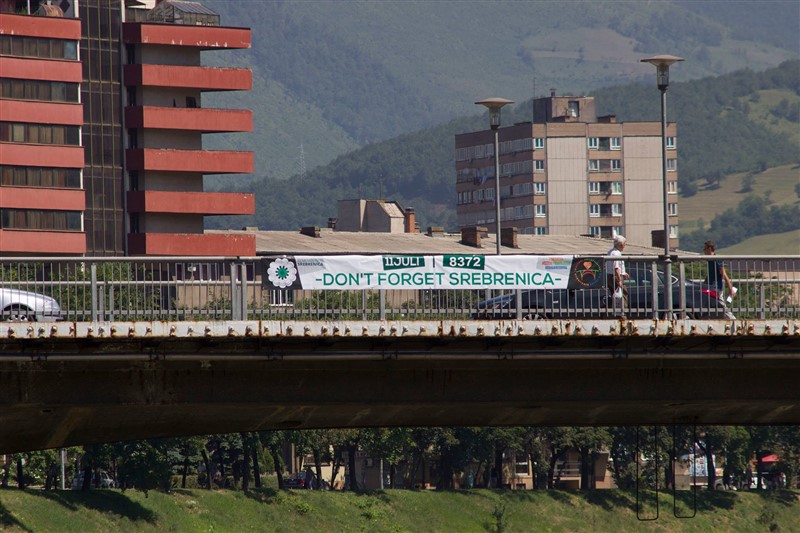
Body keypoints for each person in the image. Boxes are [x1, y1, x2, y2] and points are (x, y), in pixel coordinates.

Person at [703, 240, 735, 320]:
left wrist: (730, 288)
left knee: (721, 305)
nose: (704, 251)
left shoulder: (716, 259)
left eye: (705, 249)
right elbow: (710, 274)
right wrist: (703, 284)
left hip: (716, 287)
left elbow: (723, 273)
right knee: (713, 303)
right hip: (711, 287)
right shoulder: (710, 260)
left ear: (709, 249)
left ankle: (732, 319)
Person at [606, 235, 629, 316]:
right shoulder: (616, 253)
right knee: (623, 293)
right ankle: (622, 312)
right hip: (615, 276)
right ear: (620, 244)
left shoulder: (610, 251)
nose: (624, 246)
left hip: (610, 275)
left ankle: (615, 312)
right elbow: (616, 268)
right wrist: (619, 280)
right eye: (624, 244)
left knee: (615, 294)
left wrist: (623, 272)